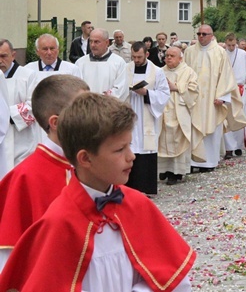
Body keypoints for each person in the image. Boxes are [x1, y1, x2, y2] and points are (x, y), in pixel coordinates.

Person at [0, 93, 195, 290]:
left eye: (130, 145)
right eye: (120, 149)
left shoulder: (138, 205)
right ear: (85, 159)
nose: (131, 156)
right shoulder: (59, 222)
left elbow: (177, 282)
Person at [0, 75, 89, 272]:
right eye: (84, 110)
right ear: (55, 122)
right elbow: (10, 265)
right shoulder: (25, 178)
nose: (93, 116)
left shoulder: (96, 166)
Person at [185, 25, 246, 171]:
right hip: (194, 98)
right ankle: (194, 161)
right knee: (193, 128)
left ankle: (209, 162)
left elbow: (226, 76)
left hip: (212, 100)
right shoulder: (189, 51)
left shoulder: (219, 52)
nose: (201, 36)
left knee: (211, 128)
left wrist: (222, 96)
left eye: (204, 34)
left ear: (211, 35)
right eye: (199, 34)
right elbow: (184, 72)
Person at [125, 42, 170, 195]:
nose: (136, 60)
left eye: (139, 57)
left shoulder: (157, 72)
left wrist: (146, 93)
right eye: (134, 57)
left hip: (147, 114)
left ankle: (146, 188)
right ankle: (130, 189)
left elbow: (164, 94)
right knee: (129, 147)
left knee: (146, 148)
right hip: (130, 112)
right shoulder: (126, 69)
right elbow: (118, 87)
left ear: (147, 55)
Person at [158, 45, 202, 185]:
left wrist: (176, 87)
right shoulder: (159, 71)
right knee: (162, 141)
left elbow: (194, 90)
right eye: (167, 56)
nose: (168, 58)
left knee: (178, 141)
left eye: (172, 56)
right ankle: (164, 169)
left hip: (179, 111)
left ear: (180, 58)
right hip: (163, 111)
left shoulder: (188, 72)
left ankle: (175, 172)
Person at [0, 39, 39, 172]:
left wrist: (5, 115)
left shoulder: (28, 75)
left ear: (13, 55)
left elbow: (34, 104)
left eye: (3, 56)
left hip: (21, 141)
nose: (0, 60)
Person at [223, 33, 246, 159]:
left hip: (239, 90)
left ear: (236, 43)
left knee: (239, 117)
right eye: (229, 45)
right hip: (226, 90)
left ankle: (238, 146)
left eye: (233, 45)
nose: (231, 47)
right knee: (226, 119)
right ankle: (228, 148)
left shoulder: (242, 54)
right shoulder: (221, 54)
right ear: (225, 43)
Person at [75, 28, 128, 101]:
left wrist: (106, 98)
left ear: (107, 43)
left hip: (109, 108)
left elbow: (121, 88)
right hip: (85, 108)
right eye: (91, 41)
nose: (93, 45)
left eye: (96, 42)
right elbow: (75, 87)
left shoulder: (118, 63)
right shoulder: (80, 63)